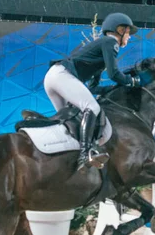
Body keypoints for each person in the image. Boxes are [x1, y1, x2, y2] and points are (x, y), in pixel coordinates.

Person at [43, 12, 143, 171]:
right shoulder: (111, 43)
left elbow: (92, 88)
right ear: (120, 30)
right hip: (62, 76)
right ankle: (85, 155)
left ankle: (59, 155)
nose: (129, 37)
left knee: (69, 120)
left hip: (53, 78)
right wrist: (132, 81)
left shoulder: (102, 48)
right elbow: (114, 74)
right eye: (128, 33)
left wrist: (110, 89)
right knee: (93, 108)